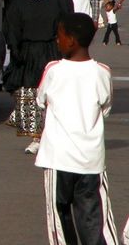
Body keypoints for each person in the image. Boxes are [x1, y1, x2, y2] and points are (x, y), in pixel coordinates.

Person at [35, 13, 118, 245]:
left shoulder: (53, 70)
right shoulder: (102, 72)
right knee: (94, 218)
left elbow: (41, 99)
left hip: (58, 158)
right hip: (91, 160)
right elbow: (106, 107)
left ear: (71, 40)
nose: (56, 40)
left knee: (59, 218)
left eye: (59, 36)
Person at [3, 0, 74, 154]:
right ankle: (36, 137)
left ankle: (56, 134)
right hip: (28, 54)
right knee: (31, 95)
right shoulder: (21, 3)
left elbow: (68, 24)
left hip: (53, 52)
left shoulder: (61, 0)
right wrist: (16, 51)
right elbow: (12, 28)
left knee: (55, 96)